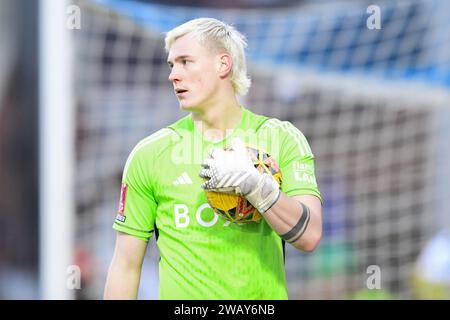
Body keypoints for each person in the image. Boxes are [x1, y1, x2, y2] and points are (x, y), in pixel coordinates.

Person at [104, 17, 323, 300]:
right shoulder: (149, 155)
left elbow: (310, 236)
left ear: (223, 64)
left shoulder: (281, 138)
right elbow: (125, 267)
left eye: (185, 61)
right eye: (172, 65)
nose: (173, 74)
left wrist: (257, 186)